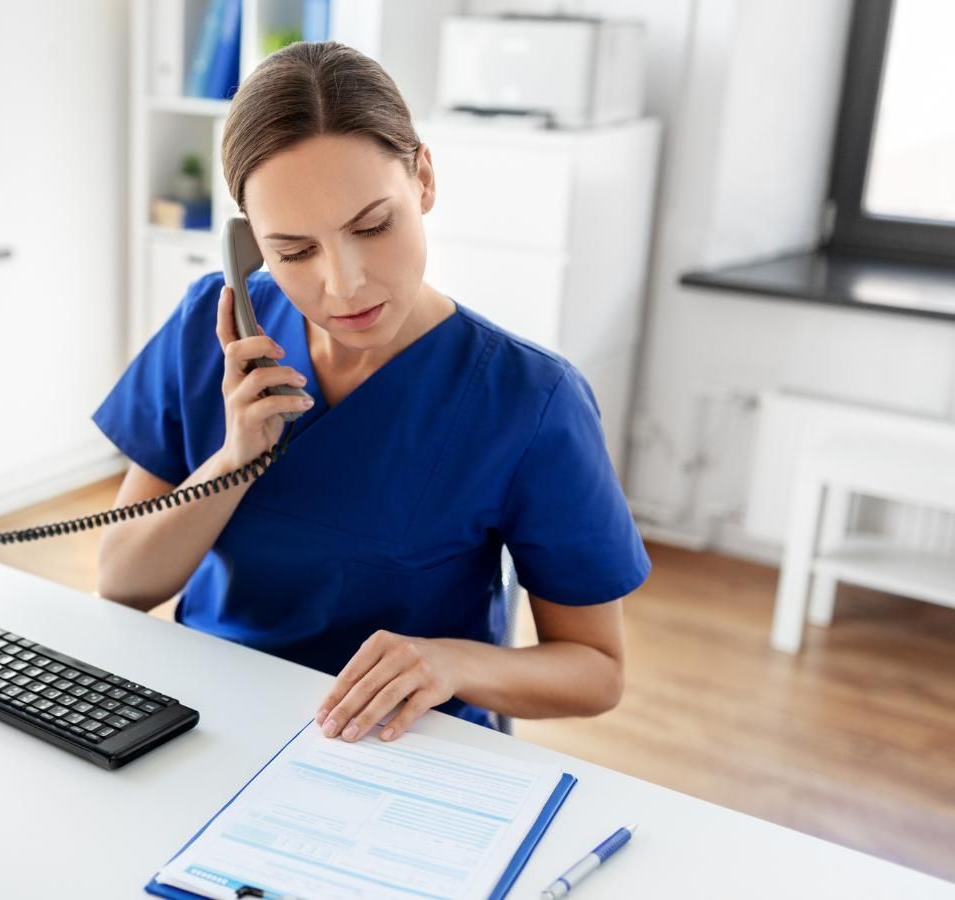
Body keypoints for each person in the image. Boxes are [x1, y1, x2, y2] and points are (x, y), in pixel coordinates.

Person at [92, 42, 649, 741]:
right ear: (251, 245)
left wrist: (448, 664)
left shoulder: (530, 400)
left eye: (372, 226)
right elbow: (122, 582)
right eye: (294, 251)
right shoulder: (214, 332)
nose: (344, 283)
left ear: (422, 178)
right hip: (209, 724)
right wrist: (234, 459)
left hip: (402, 747)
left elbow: (597, 669)